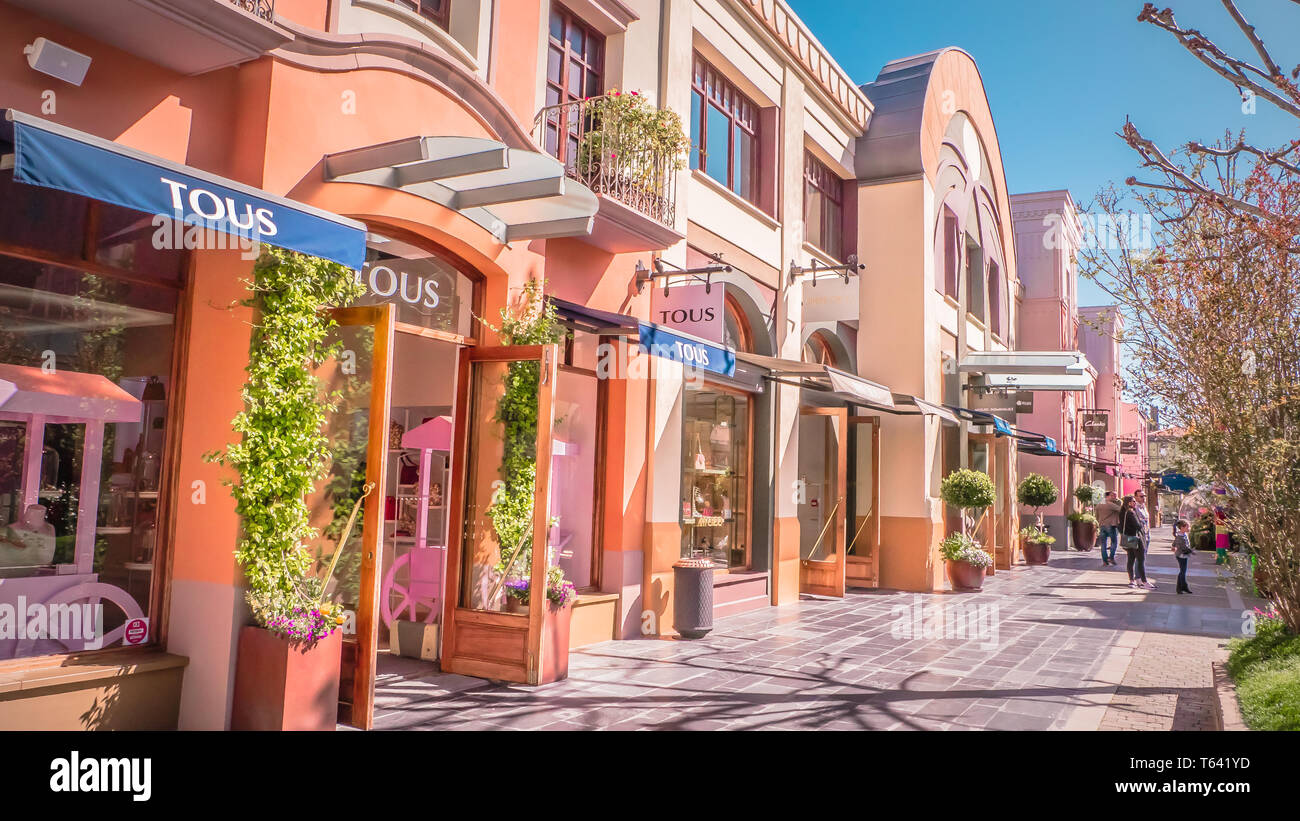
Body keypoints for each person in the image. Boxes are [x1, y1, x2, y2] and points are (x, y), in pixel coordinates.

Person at [1120, 494, 1153, 589]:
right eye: (1133, 501)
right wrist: (1142, 526)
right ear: (1129, 503)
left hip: (1128, 537)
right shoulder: (1131, 513)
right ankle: (1144, 582)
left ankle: (1131, 581)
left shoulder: (1123, 512)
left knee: (1130, 559)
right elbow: (1138, 526)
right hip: (1136, 538)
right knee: (1140, 559)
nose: (1135, 503)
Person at [1096, 490, 1121, 567]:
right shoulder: (1111, 505)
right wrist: (1118, 501)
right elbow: (1121, 509)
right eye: (1113, 495)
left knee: (1103, 544)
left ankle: (1104, 561)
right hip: (1110, 525)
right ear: (1107, 496)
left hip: (1102, 525)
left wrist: (1099, 522)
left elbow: (1097, 515)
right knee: (1114, 542)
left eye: (1115, 495)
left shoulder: (1099, 504)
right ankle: (1111, 557)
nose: (1115, 497)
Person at [1172, 519, 1194, 594]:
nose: (1189, 529)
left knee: (1183, 572)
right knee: (1182, 572)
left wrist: (1173, 546)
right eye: (1187, 527)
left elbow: (1174, 543)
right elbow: (1183, 547)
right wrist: (1191, 550)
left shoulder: (1183, 534)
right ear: (1182, 527)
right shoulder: (1180, 537)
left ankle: (1183, 587)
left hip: (1184, 555)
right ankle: (1180, 588)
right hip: (1181, 556)